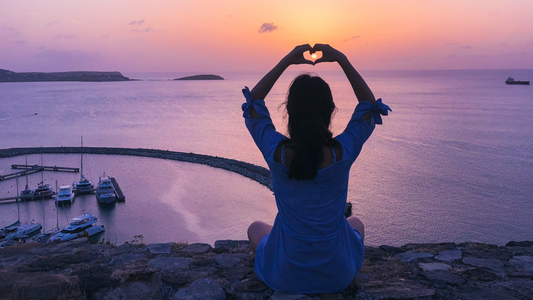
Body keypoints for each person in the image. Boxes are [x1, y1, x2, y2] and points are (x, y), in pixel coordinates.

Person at [242, 44, 390, 294]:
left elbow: (253, 104)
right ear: (330, 112)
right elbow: (369, 105)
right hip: (337, 275)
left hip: (284, 275)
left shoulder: (276, 152)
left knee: (256, 228)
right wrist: (341, 59)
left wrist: (287, 60)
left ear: (289, 112)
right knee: (355, 223)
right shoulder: (342, 153)